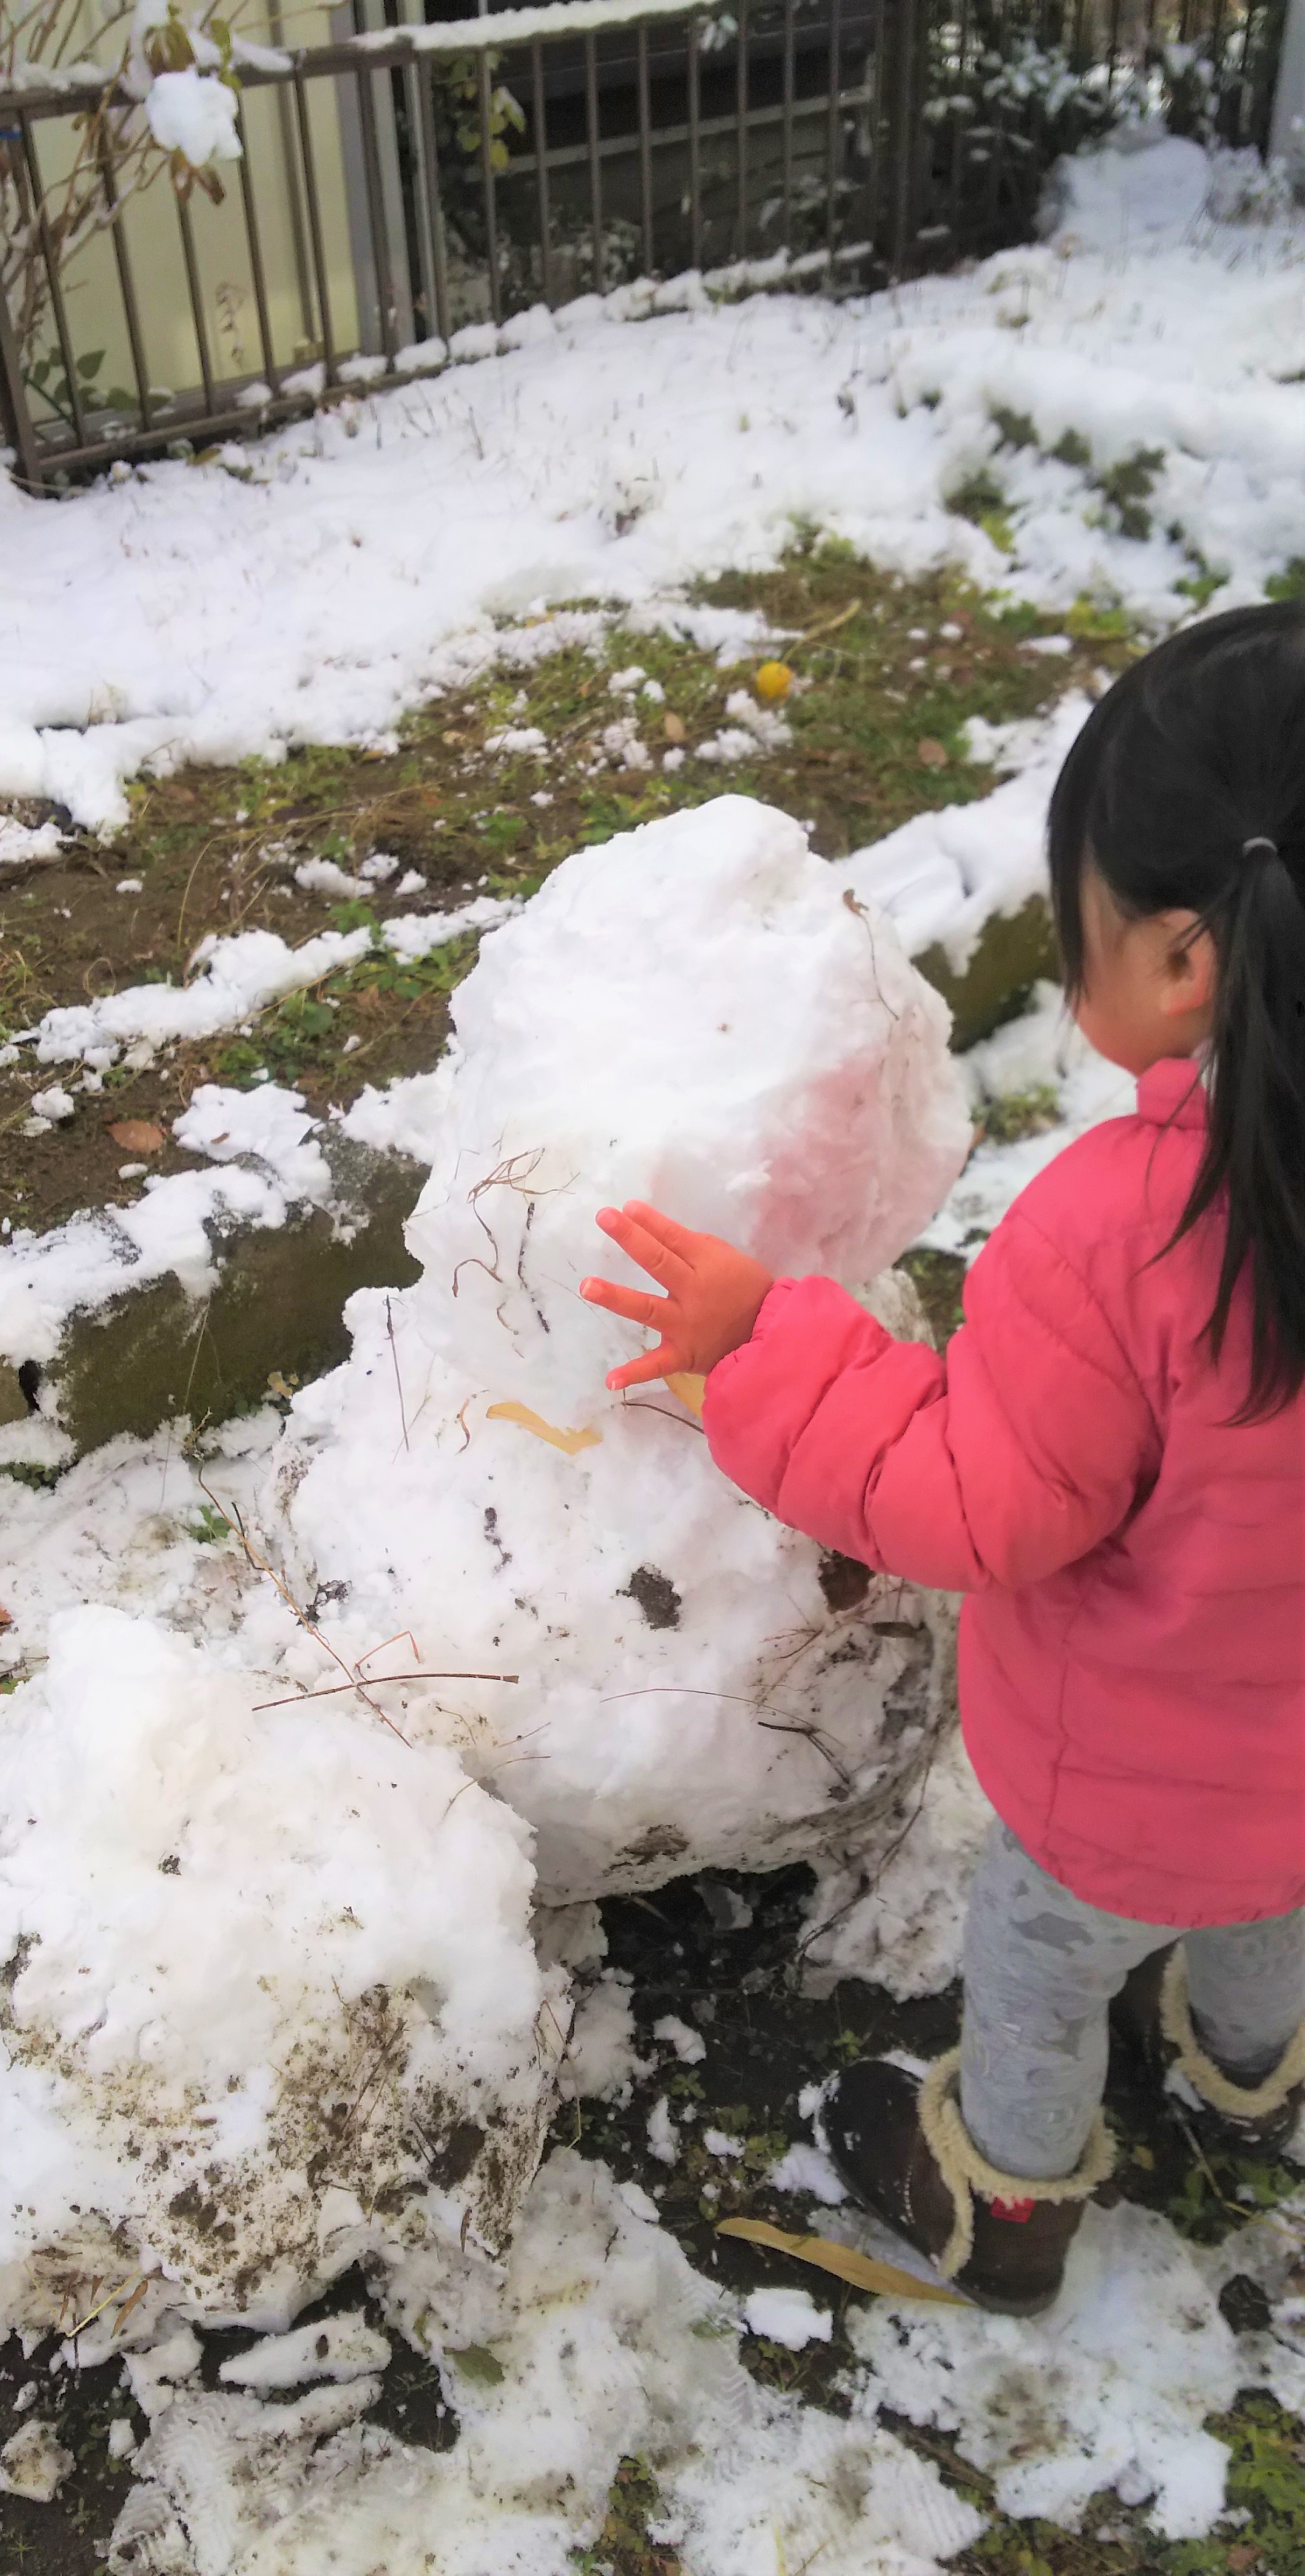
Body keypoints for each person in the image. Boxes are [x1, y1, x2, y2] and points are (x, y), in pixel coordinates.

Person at [580, 603, 1305, 2316]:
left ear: (1187, 964)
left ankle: (1013, 2210)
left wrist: (767, 1341)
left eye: (1088, 936)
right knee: (1275, 1896)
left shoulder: (1120, 1238)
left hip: (1119, 1795)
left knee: (1042, 1975)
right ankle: (1246, 2071)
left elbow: (970, 1503)